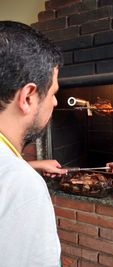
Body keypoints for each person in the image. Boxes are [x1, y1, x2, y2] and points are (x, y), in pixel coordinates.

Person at [0, 20, 66, 267]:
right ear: (28, 97)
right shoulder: (23, 188)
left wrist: (32, 164)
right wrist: (25, 174)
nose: (55, 103)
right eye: (52, 93)